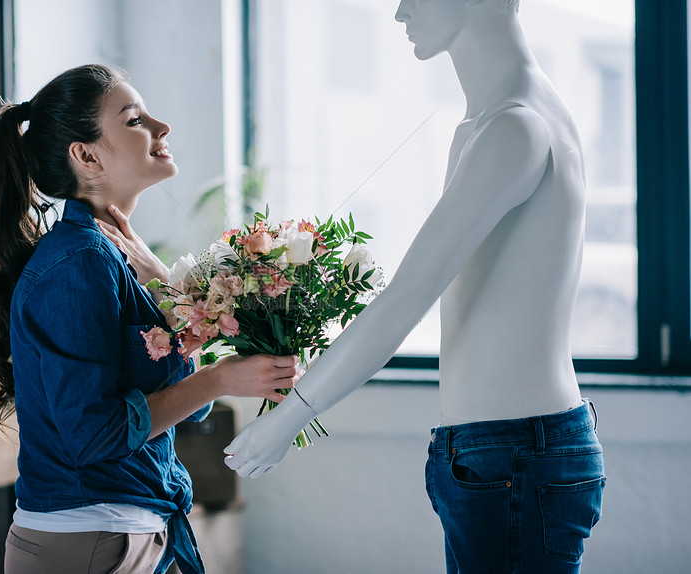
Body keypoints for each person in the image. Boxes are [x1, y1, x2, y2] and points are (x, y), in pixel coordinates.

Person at [224, 1, 605, 572]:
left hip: (515, 455)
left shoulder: (516, 128)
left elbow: (406, 299)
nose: (401, 11)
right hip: (499, 452)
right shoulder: (485, 126)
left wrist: (292, 414)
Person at [0, 64, 298, 574]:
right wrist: (218, 379)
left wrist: (164, 283)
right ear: (86, 155)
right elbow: (94, 435)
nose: (161, 127)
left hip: (122, 535)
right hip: (88, 544)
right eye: (135, 119)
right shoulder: (78, 263)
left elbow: (186, 410)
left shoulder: (113, 256)